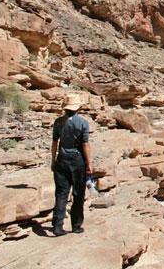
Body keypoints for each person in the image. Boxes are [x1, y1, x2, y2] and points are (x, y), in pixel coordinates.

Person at [50, 93, 92, 236]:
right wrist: (89, 163)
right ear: (77, 108)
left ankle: (57, 226)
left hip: (61, 160)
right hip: (77, 161)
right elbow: (85, 145)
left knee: (61, 194)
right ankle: (76, 225)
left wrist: (53, 160)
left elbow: (55, 143)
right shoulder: (83, 123)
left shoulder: (58, 122)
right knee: (78, 194)